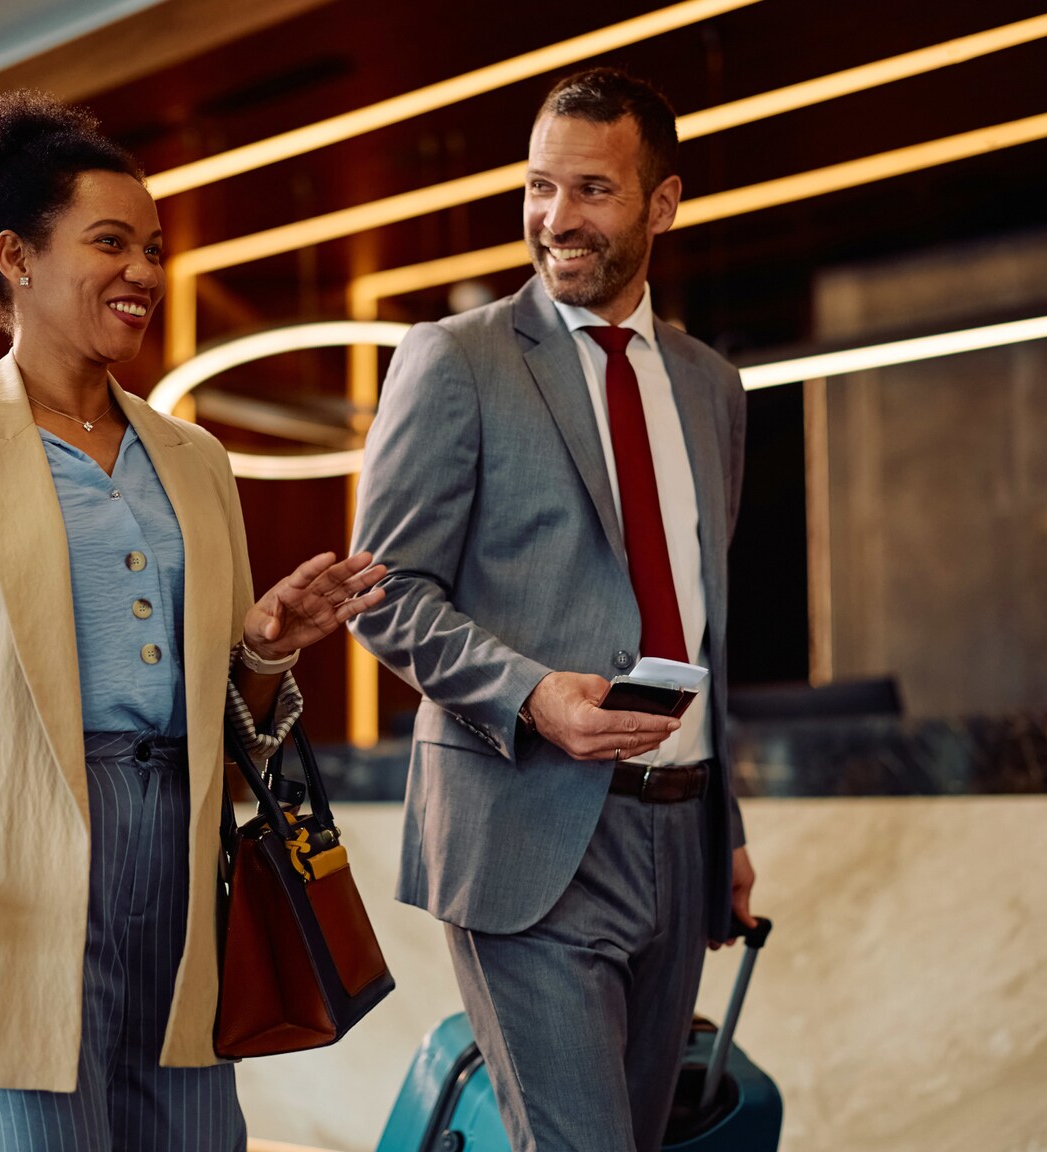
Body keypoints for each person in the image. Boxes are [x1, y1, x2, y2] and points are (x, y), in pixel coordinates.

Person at [0, 91, 384, 1151]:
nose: (144, 272)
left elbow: (235, 735)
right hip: (0, 897)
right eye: (110, 243)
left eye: (151, 248)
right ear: (15, 257)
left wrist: (264, 649)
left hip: (185, 875)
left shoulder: (195, 461)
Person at [349, 68, 757, 1152]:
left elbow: (699, 624)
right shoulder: (456, 361)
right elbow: (384, 599)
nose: (554, 220)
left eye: (590, 189)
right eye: (537, 187)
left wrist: (727, 827)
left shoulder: (711, 388)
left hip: (679, 834)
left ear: (661, 203)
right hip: (525, 831)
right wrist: (534, 697)